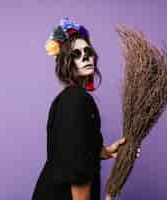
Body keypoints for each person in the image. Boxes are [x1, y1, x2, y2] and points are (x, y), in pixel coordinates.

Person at [31, 18, 141, 200]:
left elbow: (76, 150)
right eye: (76, 54)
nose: (85, 57)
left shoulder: (68, 98)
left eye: (88, 51)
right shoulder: (76, 99)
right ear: (66, 61)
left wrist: (106, 151)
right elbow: (77, 169)